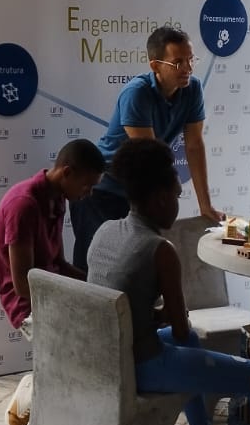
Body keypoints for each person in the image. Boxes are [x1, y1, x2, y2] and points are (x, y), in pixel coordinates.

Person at [87, 139, 250, 425]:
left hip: (106, 355)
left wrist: (156, 316)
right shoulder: (160, 249)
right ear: (161, 199)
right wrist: (173, 317)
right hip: (139, 365)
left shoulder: (106, 231)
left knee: (191, 340)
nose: (178, 203)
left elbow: (121, 300)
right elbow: (179, 329)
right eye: (178, 196)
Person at [70, 25, 223, 275]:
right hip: (102, 190)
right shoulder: (137, 93)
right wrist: (168, 195)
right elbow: (150, 158)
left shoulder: (193, 89)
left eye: (190, 60)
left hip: (137, 190)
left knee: (134, 269)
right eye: (178, 62)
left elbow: (194, 145)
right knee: (95, 268)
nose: (187, 68)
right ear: (155, 66)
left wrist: (205, 205)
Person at [0, 139, 106, 338]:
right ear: (67, 173)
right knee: (94, 334)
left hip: (51, 292)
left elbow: (59, 264)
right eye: (86, 186)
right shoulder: (23, 205)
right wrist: (80, 295)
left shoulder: (58, 197)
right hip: (28, 305)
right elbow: (23, 285)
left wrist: (98, 286)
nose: (89, 194)